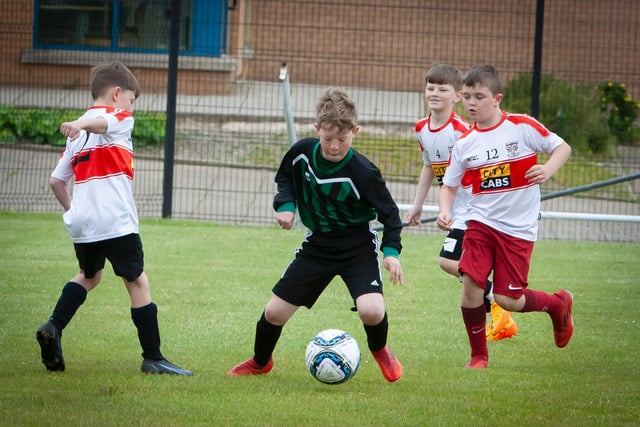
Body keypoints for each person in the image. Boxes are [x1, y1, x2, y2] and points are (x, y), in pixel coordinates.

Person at [227, 87, 404, 382]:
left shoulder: (364, 172)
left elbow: (391, 215)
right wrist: (286, 206)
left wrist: (391, 253)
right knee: (274, 313)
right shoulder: (301, 153)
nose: (335, 146)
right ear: (316, 129)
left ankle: (380, 349)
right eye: (328, 138)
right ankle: (260, 362)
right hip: (318, 245)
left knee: (371, 311)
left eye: (343, 139)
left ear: (355, 132)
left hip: (357, 245)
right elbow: (285, 179)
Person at [36, 61, 192, 376]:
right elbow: (101, 122)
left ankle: (53, 326)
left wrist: (73, 210)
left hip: (82, 221)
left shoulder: (75, 136)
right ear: (118, 94)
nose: (131, 106)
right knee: (136, 281)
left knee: (89, 275)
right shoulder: (118, 118)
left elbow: (56, 181)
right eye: (131, 99)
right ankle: (154, 358)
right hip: (114, 218)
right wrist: (81, 123)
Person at [437, 64, 574, 369]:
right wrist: (445, 209)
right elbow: (449, 186)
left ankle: (557, 304)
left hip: (518, 229)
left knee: (508, 299)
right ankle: (478, 356)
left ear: (497, 98)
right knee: (471, 283)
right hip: (480, 223)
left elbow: (562, 147)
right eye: (468, 97)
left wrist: (548, 169)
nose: (472, 103)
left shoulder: (521, 126)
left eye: (480, 97)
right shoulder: (464, 145)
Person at [406, 64, 517, 341]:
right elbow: (430, 167)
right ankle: (498, 310)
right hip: (456, 210)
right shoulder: (422, 128)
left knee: (448, 260)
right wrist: (418, 204)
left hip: (475, 209)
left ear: (457, 96)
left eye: (442, 89)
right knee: (457, 264)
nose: (434, 93)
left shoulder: (462, 130)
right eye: (430, 88)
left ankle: (495, 302)